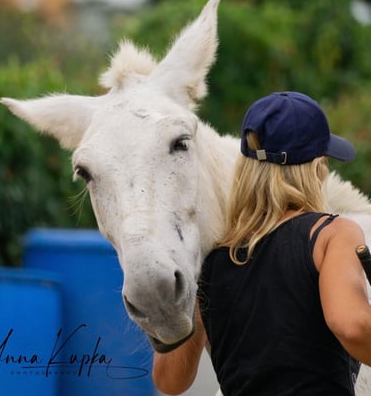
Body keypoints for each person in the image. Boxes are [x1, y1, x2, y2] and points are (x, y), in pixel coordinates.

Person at [152, 91, 371, 395]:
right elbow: (352, 326)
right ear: (315, 168)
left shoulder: (210, 261)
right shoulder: (333, 235)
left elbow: (169, 381)